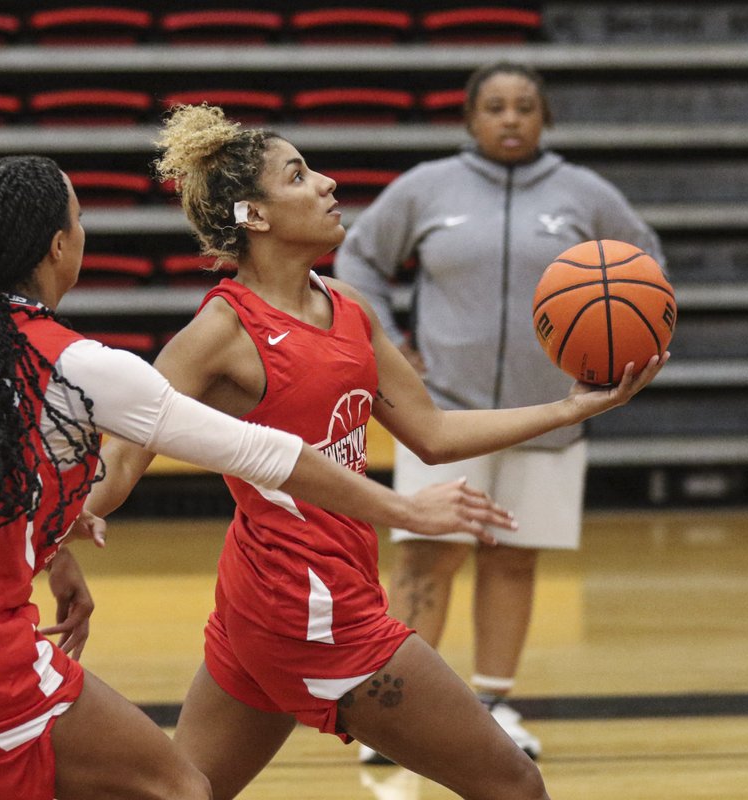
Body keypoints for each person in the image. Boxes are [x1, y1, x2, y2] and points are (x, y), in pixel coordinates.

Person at [0, 155, 499, 800]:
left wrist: (56, 550)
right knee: (179, 790)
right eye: (79, 217)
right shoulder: (80, 364)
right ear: (58, 248)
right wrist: (408, 510)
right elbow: (267, 455)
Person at [85, 104, 666, 800]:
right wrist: (52, 527)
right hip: (309, 611)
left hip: (272, 605)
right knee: (513, 785)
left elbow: (434, 433)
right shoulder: (220, 330)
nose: (328, 184)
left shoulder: (350, 307)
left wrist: (576, 407)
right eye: (300, 175)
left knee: (187, 794)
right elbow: (120, 459)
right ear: (258, 217)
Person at [334, 61, 665, 762]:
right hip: (442, 416)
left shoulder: (585, 194)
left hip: (550, 413)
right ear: (470, 118)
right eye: (495, 107)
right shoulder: (427, 188)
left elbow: (647, 271)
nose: (510, 118)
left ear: (544, 116)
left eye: (523, 106)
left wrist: (614, 352)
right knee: (425, 557)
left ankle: (493, 703)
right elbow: (358, 261)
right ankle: (397, 711)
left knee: (513, 559)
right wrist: (387, 343)